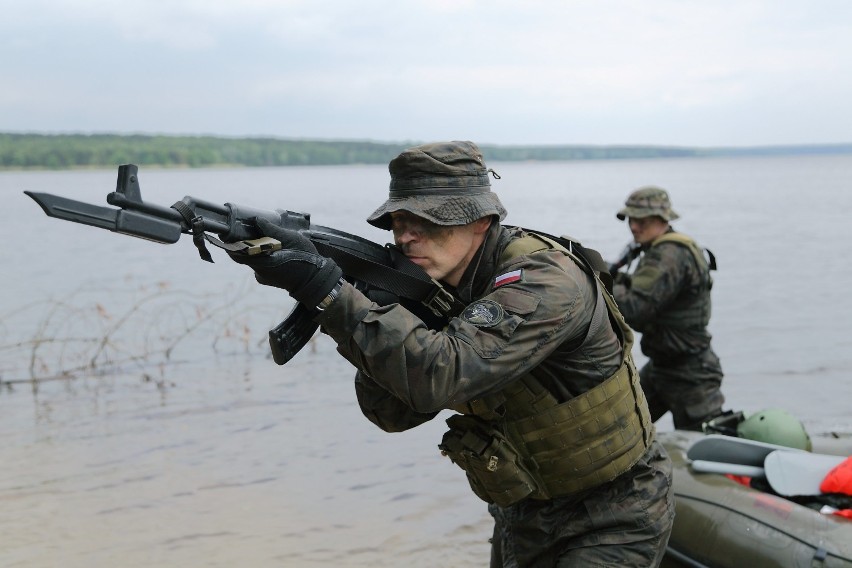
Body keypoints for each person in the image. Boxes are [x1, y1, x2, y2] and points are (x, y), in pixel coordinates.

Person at [230, 141, 675, 566]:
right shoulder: (438, 290)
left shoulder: (545, 278)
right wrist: (386, 307)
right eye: (399, 221)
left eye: (427, 221)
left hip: (613, 512)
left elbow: (442, 374)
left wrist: (330, 295)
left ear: (480, 219)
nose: (406, 236)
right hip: (523, 516)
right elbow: (391, 412)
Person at [611, 186, 724, 431]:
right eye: (631, 219)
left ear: (662, 219)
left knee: (707, 448)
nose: (633, 226)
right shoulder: (664, 249)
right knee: (622, 428)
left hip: (690, 375)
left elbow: (634, 307)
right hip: (664, 367)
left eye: (642, 219)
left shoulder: (668, 255)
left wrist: (605, 279)